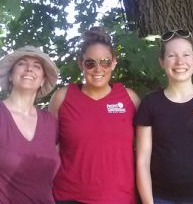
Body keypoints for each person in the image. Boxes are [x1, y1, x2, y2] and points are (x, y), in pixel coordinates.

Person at [134, 29, 193, 204]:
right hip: (161, 198)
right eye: (172, 56)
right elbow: (142, 162)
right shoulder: (150, 104)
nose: (180, 62)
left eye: (186, 55)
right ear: (162, 62)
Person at [49, 26, 140, 204]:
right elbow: (49, 147)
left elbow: (144, 149)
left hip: (120, 198)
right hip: (68, 197)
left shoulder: (130, 98)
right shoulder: (62, 97)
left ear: (114, 62)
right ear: (80, 63)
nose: (98, 69)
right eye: (90, 63)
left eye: (105, 61)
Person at [0, 46, 60, 204]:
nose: (29, 69)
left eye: (36, 66)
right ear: (11, 76)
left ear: (42, 80)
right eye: (22, 63)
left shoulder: (51, 123)